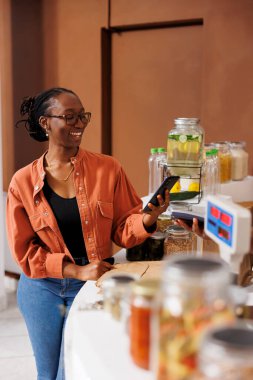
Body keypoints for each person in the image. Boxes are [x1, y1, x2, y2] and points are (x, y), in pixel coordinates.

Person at [6, 87, 169, 380]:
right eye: (69, 117)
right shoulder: (22, 181)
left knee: (74, 370)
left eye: (83, 116)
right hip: (42, 289)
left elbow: (123, 230)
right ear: (46, 123)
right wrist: (75, 270)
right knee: (47, 374)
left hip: (93, 285)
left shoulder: (108, 168)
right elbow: (24, 252)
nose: (79, 124)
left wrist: (146, 219)